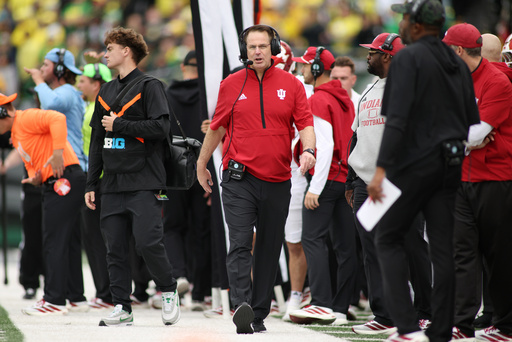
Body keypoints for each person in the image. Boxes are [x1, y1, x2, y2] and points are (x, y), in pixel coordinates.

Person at [366, 1, 480, 342]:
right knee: (442, 249)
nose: (401, 22)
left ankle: (407, 328)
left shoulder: (407, 58)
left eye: (404, 17)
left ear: (415, 26)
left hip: (413, 166)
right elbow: (469, 122)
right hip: (450, 166)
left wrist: (381, 170)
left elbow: (397, 121)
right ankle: (441, 331)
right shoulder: (456, 62)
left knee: (386, 238)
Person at [196, 24, 316, 334]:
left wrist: (309, 150)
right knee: (239, 242)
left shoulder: (292, 84)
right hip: (239, 178)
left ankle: (258, 314)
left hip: (277, 180)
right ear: (244, 51)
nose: (258, 51)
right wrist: (202, 162)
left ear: (274, 48)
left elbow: (305, 124)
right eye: (252, 47)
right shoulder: (230, 84)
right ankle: (241, 304)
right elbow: (216, 127)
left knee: (268, 247)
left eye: (263, 46)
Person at [84, 27, 180, 326]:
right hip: (111, 182)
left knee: (149, 242)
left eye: (110, 48)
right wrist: (91, 182)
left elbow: (161, 129)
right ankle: (122, 306)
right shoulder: (106, 91)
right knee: (114, 248)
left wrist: (121, 125)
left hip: (145, 179)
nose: (105, 53)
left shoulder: (151, 85)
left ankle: (168, 290)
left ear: (126, 51)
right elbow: (98, 141)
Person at [346, 32, 433, 335]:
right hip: (365, 182)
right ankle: (383, 314)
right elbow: (357, 136)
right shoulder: (369, 90)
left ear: (387, 56)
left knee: (412, 246)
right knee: (371, 250)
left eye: (372, 52)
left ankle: (425, 309)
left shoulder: (410, 86)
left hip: (400, 183)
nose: (367, 56)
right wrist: (351, 179)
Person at [442, 23, 512, 342]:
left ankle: (506, 323)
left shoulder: (497, 81)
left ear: (458, 51)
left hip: (496, 177)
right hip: (461, 174)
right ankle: (461, 322)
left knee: (498, 254)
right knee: (462, 251)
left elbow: (474, 134)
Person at [287, 46, 357, 326]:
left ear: (317, 69)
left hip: (326, 180)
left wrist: (315, 186)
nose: (302, 70)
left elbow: (324, 146)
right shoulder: (347, 100)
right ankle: (340, 307)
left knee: (312, 240)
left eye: (305, 65)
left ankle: (321, 303)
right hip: (345, 180)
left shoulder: (318, 99)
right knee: (345, 246)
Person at [0, 93, 86, 316]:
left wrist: (58, 153)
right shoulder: (17, 134)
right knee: (55, 239)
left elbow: (57, 118)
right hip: (52, 181)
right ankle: (67, 295)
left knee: (54, 240)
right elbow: (37, 157)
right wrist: (37, 177)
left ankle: (55, 299)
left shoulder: (25, 118)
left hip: (65, 178)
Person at [160, 50, 211, 308]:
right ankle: (201, 291)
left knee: (171, 226)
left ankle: (179, 273)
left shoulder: (166, 95)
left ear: (182, 67)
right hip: (204, 169)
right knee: (201, 230)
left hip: (173, 171)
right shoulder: (210, 96)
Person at [273, 40, 310, 321]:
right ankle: (265, 293)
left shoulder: (301, 89)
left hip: (293, 171)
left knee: (294, 240)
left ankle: (296, 293)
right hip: (262, 170)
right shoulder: (248, 84)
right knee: (255, 238)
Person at [77, 62, 114, 310]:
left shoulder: (94, 111)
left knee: (96, 239)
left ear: (97, 84)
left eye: (83, 80)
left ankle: (105, 293)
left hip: (97, 180)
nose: (79, 84)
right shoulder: (93, 106)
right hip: (101, 179)